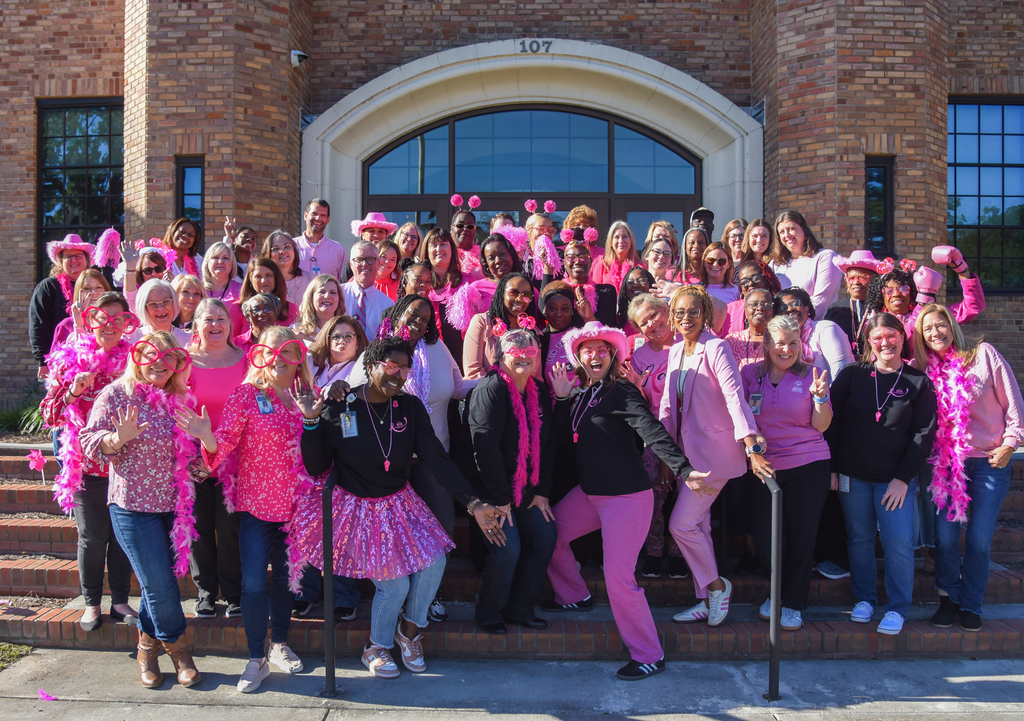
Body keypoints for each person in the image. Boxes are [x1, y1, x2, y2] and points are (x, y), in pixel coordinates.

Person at [290, 336, 506, 678]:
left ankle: (408, 632)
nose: (400, 374)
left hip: (399, 501)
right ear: (371, 365)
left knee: (435, 560)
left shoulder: (409, 407)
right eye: (392, 365)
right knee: (395, 586)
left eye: (405, 368)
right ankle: (376, 646)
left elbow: (436, 458)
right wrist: (312, 421)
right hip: (355, 507)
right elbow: (317, 467)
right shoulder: (342, 404)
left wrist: (474, 502)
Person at [545, 321, 703, 681]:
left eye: (602, 349)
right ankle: (574, 594)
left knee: (618, 578)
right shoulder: (580, 393)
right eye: (587, 349)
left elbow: (651, 429)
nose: (595, 354)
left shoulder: (622, 391)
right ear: (578, 356)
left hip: (627, 499)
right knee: (549, 533)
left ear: (612, 354)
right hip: (590, 494)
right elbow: (562, 437)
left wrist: (683, 469)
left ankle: (649, 654)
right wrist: (563, 398)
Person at [177, 326, 315, 692]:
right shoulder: (247, 395)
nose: (279, 359)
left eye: (288, 351)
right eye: (271, 351)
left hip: (295, 509)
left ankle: (280, 645)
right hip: (255, 506)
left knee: (287, 581)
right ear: (259, 355)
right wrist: (206, 436)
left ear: (298, 356)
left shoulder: (306, 395)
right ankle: (257, 658)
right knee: (253, 584)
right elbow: (224, 443)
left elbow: (320, 449)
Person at [80, 331, 202, 688]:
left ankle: (146, 647)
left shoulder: (179, 398)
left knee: (160, 584)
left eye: (169, 358)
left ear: (178, 364)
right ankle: (180, 652)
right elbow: (89, 441)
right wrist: (117, 439)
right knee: (158, 583)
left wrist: (206, 454)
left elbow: (191, 455)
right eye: (152, 356)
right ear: (138, 357)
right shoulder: (117, 393)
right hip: (132, 506)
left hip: (173, 508)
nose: (160, 364)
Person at [659, 285, 769, 627]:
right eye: (679, 312)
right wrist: (666, 455)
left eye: (693, 311)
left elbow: (735, 396)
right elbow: (666, 405)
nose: (686, 318)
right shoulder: (675, 350)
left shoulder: (717, 347)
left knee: (681, 525)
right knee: (699, 527)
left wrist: (750, 443)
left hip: (713, 456)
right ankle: (704, 599)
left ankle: (718, 586)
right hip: (684, 456)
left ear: (705, 314)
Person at [914, 304, 1024, 632]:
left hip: (989, 463)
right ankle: (948, 597)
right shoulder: (924, 368)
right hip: (946, 466)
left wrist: (1010, 443)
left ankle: (971, 604)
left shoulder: (984, 354)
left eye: (940, 325)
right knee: (945, 540)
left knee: (978, 541)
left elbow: (1014, 403)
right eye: (928, 329)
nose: (935, 333)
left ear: (952, 326)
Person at [825, 312, 937, 636]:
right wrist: (832, 467)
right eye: (879, 337)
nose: (885, 342)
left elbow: (923, 434)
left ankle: (898, 607)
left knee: (898, 542)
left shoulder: (918, 381)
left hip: (895, 481)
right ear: (868, 342)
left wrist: (903, 479)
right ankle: (864, 599)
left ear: (903, 338)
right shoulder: (851, 375)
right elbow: (830, 422)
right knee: (859, 538)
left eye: (892, 335)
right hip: (852, 477)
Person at [41, 292, 138, 632]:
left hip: (125, 464)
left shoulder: (134, 361)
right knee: (93, 536)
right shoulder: (72, 359)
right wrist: (73, 393)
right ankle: (92, 603)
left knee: (121, 537)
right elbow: (49, 414)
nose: (109, 325)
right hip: (87, 466)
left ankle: (121, 601)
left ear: (126, 324)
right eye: (102, 318)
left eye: (117, 319)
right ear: (90, 320)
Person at [740, 315, 833, 631]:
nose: (787, 349)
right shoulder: (749, 374)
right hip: (764, 468)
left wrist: (820, 398)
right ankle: (775, 593)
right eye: (780, 342)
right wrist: (753, 442)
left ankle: (793, 603)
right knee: (767, 537)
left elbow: (821, 425)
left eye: (793, 343)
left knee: (801, 537)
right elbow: (741, 417)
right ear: (767, 344)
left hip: (809, 465)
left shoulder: (812, 375)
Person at [467, 330, 557, 634]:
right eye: (515, 350)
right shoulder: (490, 389)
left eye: (530, 351)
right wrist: (501, 498)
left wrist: (543, 491)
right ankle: (490, 611)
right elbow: (484, 448)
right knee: (508, 549)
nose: (523, 355)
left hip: (528, 489)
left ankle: (521, 608)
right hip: (493, 493)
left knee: (545, 537)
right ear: (501, 355)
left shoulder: (539, 390)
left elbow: (549, 444)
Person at [184, 299, 247, 620]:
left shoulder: (245, 361)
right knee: (200, 528)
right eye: (207, 319)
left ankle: (234, 593)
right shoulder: (185, 362)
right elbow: (177, 407)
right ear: (196, 326)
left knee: (231, 529)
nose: (215, 324)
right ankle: (206, 591)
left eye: (221, 318)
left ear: (230, 324)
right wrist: (190, 454)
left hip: (234, 463)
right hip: (196, 461)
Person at [626, 294, 687, 580]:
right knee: (654, 494)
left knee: (687, 495)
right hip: (656, 435)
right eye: (644, 322)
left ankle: (678, 552)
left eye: (655, 315)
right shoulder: (639, 357)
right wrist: (637, 387)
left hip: (691, 432)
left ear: (667, 310)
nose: (652, 324)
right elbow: (639, 404)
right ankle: (653, 552)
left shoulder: (690, 342)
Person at [865, 249, 985, 347]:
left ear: (913, 291)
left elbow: (972, 307)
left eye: (903, 288)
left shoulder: (931, 316)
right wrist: (925, 299)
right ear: (880, 295)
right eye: (889, 291)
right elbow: (904, 342)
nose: (896, 294)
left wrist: (962, 270)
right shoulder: (874, 323)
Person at [30, 234, 95, 378]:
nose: (74, 260)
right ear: (60, 261)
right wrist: (42, 360)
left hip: (95, 357)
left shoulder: (96, 285)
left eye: (78, 255)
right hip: (61, 360)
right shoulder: (48, 287)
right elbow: (39, 325)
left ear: (87, 259)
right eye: (68, 257)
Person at [418, 228, 477, 368]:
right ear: (426, 250)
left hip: (462, 355)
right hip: (428, 357)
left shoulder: (467, 281)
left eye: (443, 244)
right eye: (433, 244)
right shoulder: (418, 283)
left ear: (452, 249)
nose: (439, 248)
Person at [464, 273, 541, 379]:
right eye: (513, 292)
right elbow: (473, 372)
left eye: (526, 295)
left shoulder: (532, 331)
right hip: (490, 392)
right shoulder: (481, 322)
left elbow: (537, 377)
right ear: (501, 294)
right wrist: (502, 391)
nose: (520, 299)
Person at [768, 210, 842, 317]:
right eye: (782, 232)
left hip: (815, 326)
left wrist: (797, 325)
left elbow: (821, 301)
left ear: (804, 229)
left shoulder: (824, 257)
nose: (787, 235)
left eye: (791, 229)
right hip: (783, 329)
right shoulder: (774, 264)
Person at [774, 287, 854, 380]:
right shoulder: (782, 340)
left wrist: (824, 394)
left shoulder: (826, 329)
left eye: (796, 303)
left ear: (807, 309)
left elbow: (842, 374)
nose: (790, 309)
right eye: (783, 308)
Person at [825, 250, 880, 356]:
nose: (855, 282)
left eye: (862, 277)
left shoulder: (880, 307)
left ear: (874, 280)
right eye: (851, 278)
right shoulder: (835, 308)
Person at [342, 241, 395, 340]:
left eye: (370, 259)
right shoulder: (338, 294)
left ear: (378, 264)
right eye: (359, 259)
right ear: (351, 264)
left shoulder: (387, 305)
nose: (365, 264)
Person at [50, 268, 111, 350]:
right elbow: (53, 361)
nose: (93, 292)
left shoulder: (114, 322)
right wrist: (79, 325)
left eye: (99, 287)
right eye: (87, 288)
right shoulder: (66, 325)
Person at [562, 242, 617, 328]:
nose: (577, 261)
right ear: (565, 263)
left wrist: (589, 317)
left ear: (591, 262)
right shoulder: (560, 291)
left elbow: (609, 328)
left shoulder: (606, 291)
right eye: (571, 258)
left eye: (583, 257)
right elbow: (543, 311)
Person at [720, 260, 783, 336]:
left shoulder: (779, 306)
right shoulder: (730, 310)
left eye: (756, 278)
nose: (750, 283)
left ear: (766, 279)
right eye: (744, 281)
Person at [294, 198, 348, 281]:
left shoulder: (338, 250)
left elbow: (344, 283)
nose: (318, 218)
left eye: (323, 215)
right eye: (314, 214)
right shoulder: (292, 246)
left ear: (328, 220)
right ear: (305, 216)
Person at [308, 315, 367, 388]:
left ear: (358, 343)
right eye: (336, 337)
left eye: (348, 336)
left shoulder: (362, 372)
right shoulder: (309, 361)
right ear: (327, 340)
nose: (342, 341)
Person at [470, 233, 525, 312]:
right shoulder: (476, 289)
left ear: (511, 255)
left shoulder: (526, 286)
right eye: (491, 258)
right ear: (486, 264)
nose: (498, 260)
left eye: (502, 254)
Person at [538, 281, 582, 377]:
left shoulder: (582, 332)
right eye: (552, 308)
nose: (558, 314)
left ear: (572, 310)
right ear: (545, 310)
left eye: (565, 309)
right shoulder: (539, 340)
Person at [725, 288, 774, 370]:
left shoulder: (778, 341)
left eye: (766, 305)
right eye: (754, 304)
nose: (760, 308)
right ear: (745, 311)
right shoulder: (731, 340)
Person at [240, 257, 297, 326]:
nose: (264, 281)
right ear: (250, 280)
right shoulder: (237, 309)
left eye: (268, 275)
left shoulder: (292, 309)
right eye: (258, 276)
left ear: (276, 278)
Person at [134, 278, 191, 345]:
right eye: (153, 304)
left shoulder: (188, 339)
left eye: (166, 302)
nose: (160, 308)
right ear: (144, 308)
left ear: (174, 304)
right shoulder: (134, 338)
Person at [292, 274, 344, 343]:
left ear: (339, 299)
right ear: (311, 297)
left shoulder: (347, 330)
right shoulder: (297, 330)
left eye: (333, 292)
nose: (327, 296)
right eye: (322, 292)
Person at [263, 231, 309, 307]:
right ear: (268, 253)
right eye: (276, 249)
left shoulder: (311, 279)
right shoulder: (265, 282)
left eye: (287, 247)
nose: (282, 251)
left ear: (294, 249)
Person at [591, 221, 640, 291]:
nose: (621, 241)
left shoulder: (640, 266)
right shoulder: (601, 266)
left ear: (631, 240)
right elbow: (595, 294)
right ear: (611, 242)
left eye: (625, 237)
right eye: (616, 237)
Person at [616, 267, 654, 334]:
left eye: (641, 280)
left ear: (650, 284)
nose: (636, 285)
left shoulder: (661, 316)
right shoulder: (618, 322)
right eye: (630, 282)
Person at [451, 207, 484, 281]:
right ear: (452, 228)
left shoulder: (483, 255)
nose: (465, 229)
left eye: (470, 226)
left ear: (475, 230)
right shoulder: (445, 253)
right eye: (460, 225)